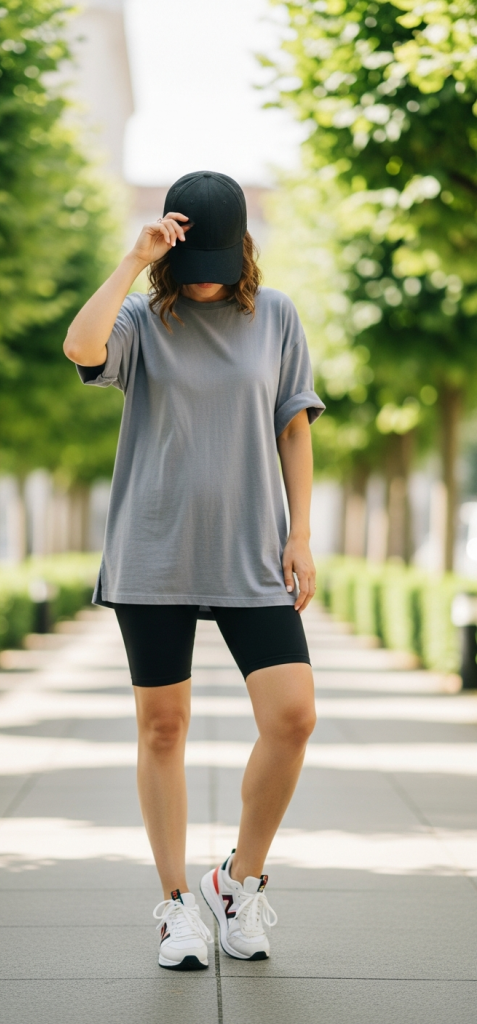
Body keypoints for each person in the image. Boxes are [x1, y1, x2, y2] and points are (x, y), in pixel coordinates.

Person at [64, 170, 325, 971]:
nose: (204, 277)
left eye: (217, 261)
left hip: (252, 552)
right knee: (162, 727)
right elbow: (80, 348)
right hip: (154, 552)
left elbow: (293, 427)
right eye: (190, 261)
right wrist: (131, 261)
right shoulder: (142, 318)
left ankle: (236, 883)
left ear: (240, 250)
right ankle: (177, 904)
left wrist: (300, 534)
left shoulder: (274, 315)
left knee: (292, 717)